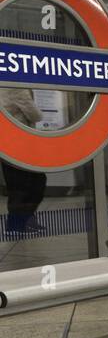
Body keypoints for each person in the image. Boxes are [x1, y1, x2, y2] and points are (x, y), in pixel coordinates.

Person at [2, 87, 49, 239]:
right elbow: (36, 115)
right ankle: (15, 225)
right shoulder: (15, 88)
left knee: (18, 184)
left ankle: (26, 220)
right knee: (29, 184)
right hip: (20, 143)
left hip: (8, 143)